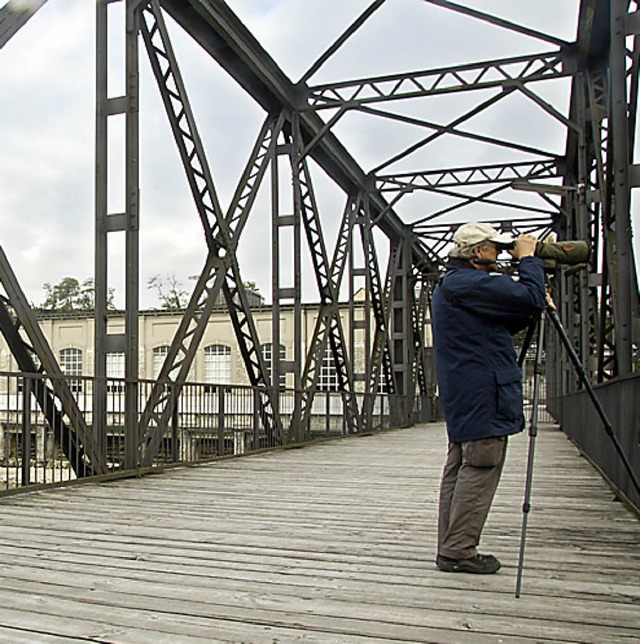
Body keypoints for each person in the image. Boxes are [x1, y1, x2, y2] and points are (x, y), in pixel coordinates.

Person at [431, 221, 546, 574]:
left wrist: (532, 298)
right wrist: (529, 261)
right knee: (481, 464)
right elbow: (530, 299)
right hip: (483, 392)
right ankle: (459, 551)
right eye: (495, 248)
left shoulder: (454, 284)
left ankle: (451, 546)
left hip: (466, 392)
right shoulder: (468, 282)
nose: (500, 253)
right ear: (478, 251)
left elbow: (505, 319)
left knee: (461, 466)